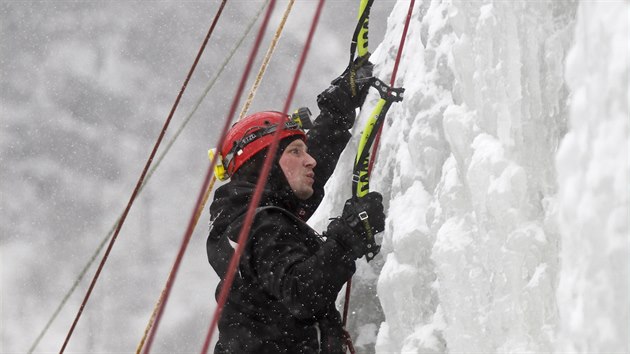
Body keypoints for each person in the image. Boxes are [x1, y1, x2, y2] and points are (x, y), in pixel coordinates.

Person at [206, 60, 385, 353]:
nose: (310, 160)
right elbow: (302, 293)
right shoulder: (259, 226)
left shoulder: (244, 217)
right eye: (295, 151)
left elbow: (299, 182)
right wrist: (347, 237)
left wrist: (336, 113)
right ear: (264, 166)